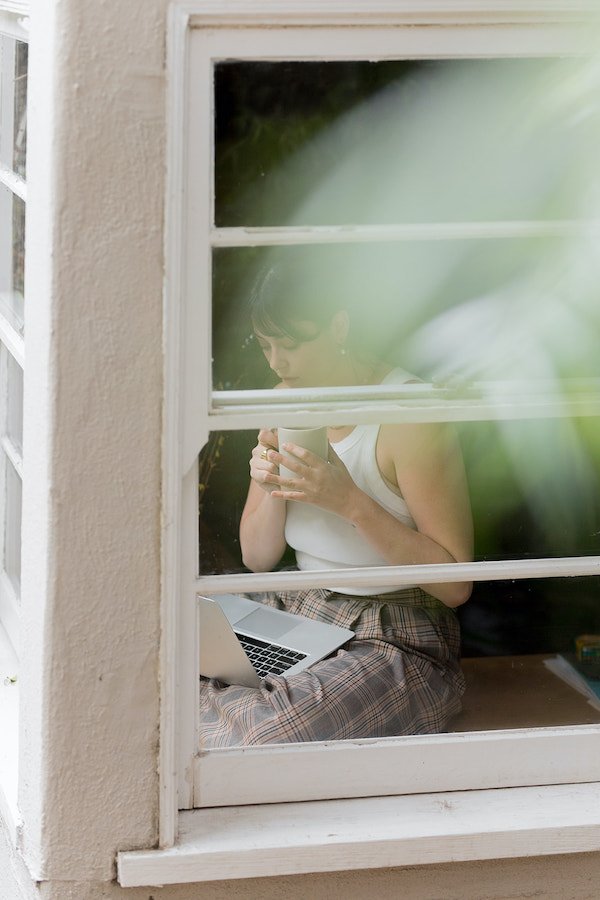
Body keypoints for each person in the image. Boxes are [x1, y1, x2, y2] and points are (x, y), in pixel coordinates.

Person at [199, 259, 473, 747]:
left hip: (395, 632)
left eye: (293, 344)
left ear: (338, 326)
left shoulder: (407, 415)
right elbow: (256, 557)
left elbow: (455, 585)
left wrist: (349, 502)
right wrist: (267, 481)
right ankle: (241, 708)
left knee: (271, 731)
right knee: (160, 662)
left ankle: (230, 714)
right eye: (267, 346)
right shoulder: (284, 397)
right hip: (298, 606)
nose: (278, 364)